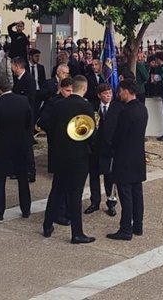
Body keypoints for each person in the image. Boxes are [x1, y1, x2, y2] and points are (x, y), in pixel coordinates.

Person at [38, 77, 96, 244]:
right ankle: (77, 233)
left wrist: (56, 138)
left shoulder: (57, 104)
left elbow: (44, 123)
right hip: (78, 156)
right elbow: (92, 133)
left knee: (56, 189)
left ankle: (47, 226)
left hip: (59, 154)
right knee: (75, 194)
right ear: (84, 89)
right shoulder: (86, 106)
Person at [106, 80, 148, 241]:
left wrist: (112, 146)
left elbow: (118, 136)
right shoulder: (142, 109)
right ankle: (138, 225)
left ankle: (125, 229)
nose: (119, 95)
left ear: (125, 91)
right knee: (137, 193)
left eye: (120, 92)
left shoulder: (126, 112)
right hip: (138, 156)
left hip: (124, 158)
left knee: (126, 194)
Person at [0, 83, 35, 221]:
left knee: (0, 180)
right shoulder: (23, 101)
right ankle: (26, 209)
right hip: (20, 144)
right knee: (22, 180)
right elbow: (29, 121)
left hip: (3, 145)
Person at [86, 83, 121, 217]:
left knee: (110, 177)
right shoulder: (93, 107)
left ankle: (111, 202)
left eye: (110, 93)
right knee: (94, 176)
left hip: (110, 148)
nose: (108, 96)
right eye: (105, 93)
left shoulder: (117, 107)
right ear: (99, 95)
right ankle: (95, 202)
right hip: (95, 148)